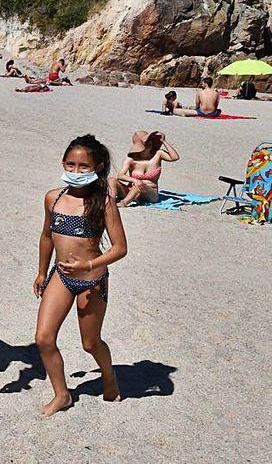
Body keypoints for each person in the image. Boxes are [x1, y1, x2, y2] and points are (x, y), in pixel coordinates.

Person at [33, 135, 127, 416]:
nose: (75, 171)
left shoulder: (103, 202)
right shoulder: (54, 197)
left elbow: (121, 248)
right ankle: (62, 394)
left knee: (90, 343)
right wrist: (41, 272)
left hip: (92, 281)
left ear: (97, 167)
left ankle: (109, 375)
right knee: (44, 338)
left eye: (83, 166)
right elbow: (47, 236)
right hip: (60, 276)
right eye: (70, 164)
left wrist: (89, 266)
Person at [110, 131, 181, 207]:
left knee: (139, 186)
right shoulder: (132, 159)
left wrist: (164, 141)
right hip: (131, 191)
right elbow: (120, 175)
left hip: (150, 193)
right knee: (112, 180)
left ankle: (123, 203)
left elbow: (175, 157)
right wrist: (134, 180)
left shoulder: (158, 154)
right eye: (147, 144)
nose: (150, 145)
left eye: (150, 142)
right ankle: (111, 201)